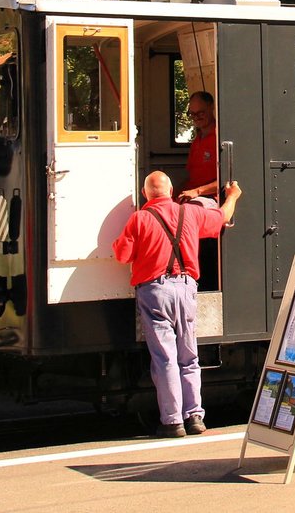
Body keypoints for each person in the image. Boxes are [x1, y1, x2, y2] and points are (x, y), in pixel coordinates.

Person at [112, 171, 242, 438]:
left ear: (145, 193)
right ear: (170, 190)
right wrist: (233, 197)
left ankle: (172, 422)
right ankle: (195, 416)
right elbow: (221, 218)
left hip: (155, 292)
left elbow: (122, 256)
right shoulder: (190, 214)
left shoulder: (139, 219)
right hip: (186, 288)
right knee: (189, 356)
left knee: (165, 358)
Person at [179, 91, 218, 202]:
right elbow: (192, 178)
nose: (196, 117)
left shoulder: (220, 137)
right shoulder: (196, 141)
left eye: (200, 113)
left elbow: (227, 180)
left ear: (211, 107)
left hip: (212, 198)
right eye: (192, 114)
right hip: (194, 195)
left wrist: (197, 191)